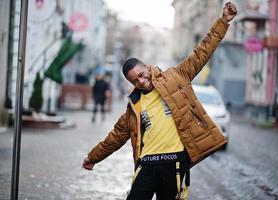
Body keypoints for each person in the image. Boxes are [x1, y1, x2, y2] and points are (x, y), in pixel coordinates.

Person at [83, 2, 237, 200]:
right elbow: (115, 137)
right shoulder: (135, 105)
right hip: (146, 164)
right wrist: (93, 157)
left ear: (147, 67)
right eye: (134, 80)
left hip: (174, 163)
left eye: (141, 74)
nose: (141, 80)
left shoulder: (177, 76)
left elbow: (202, 52)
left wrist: (223, 21)